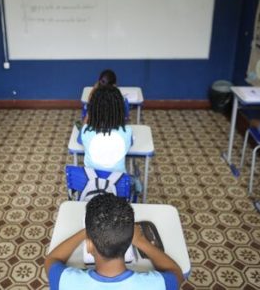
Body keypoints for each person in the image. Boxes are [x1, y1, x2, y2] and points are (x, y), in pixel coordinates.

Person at [45, 193, 184, 289]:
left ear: (89, 245)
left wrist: (88, 231)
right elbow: (176, 272)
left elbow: (52, 259)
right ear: (129, 241)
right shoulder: (156, 285)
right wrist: (141, 241)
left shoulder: (66, 282)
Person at [81, 85, 132, 173]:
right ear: (120, 109)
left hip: (91, 184)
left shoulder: (86, 131)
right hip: (118, 185)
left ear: (92, 109)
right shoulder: (127, 132)